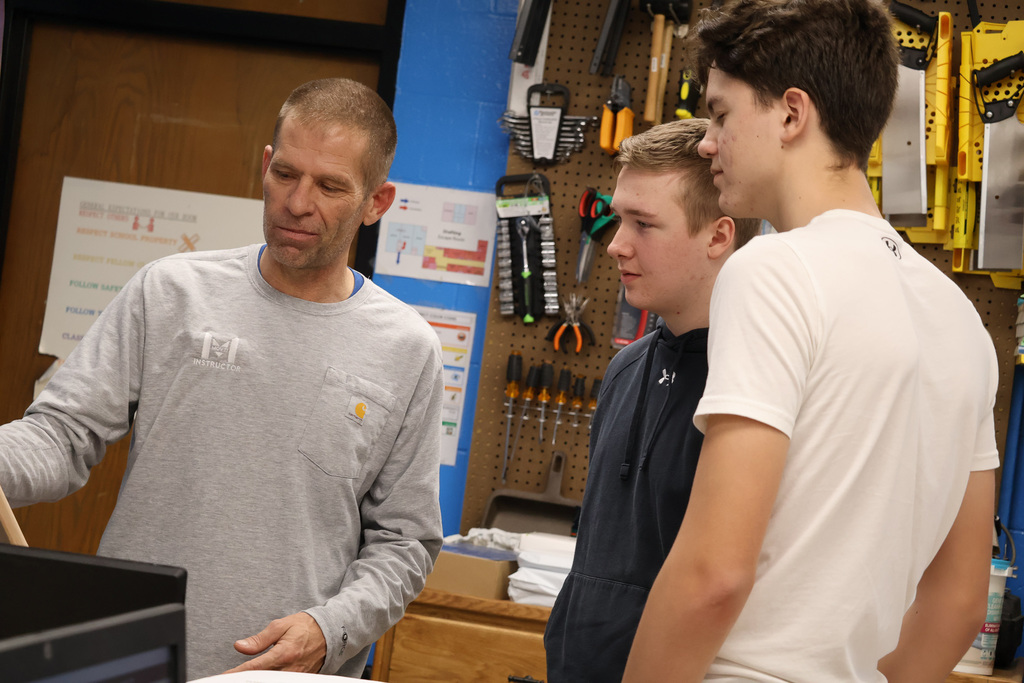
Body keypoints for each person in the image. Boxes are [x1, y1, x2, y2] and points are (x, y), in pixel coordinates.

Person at [0, 78, 445, 679]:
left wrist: (331, 628)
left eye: (330, 185)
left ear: (377, 201)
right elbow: (59, 435)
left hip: (280, 676)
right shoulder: (171, 291)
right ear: (265, 164)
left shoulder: (408, 348)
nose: (297, 201)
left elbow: (405, 544)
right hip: (130, 658)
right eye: (286, 174)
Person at [622, 1, 999, 681]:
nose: (707, 141)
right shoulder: (960, 319)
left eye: (722, 114)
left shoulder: (773, 271)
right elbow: (961, 602)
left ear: (792, 114)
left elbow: (714, 572)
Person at [543, 118, 761, 683]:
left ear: (719, 236)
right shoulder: (625, 368)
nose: (615, 244)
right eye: (619, 219)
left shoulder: (753, 386)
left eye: (643, 224)